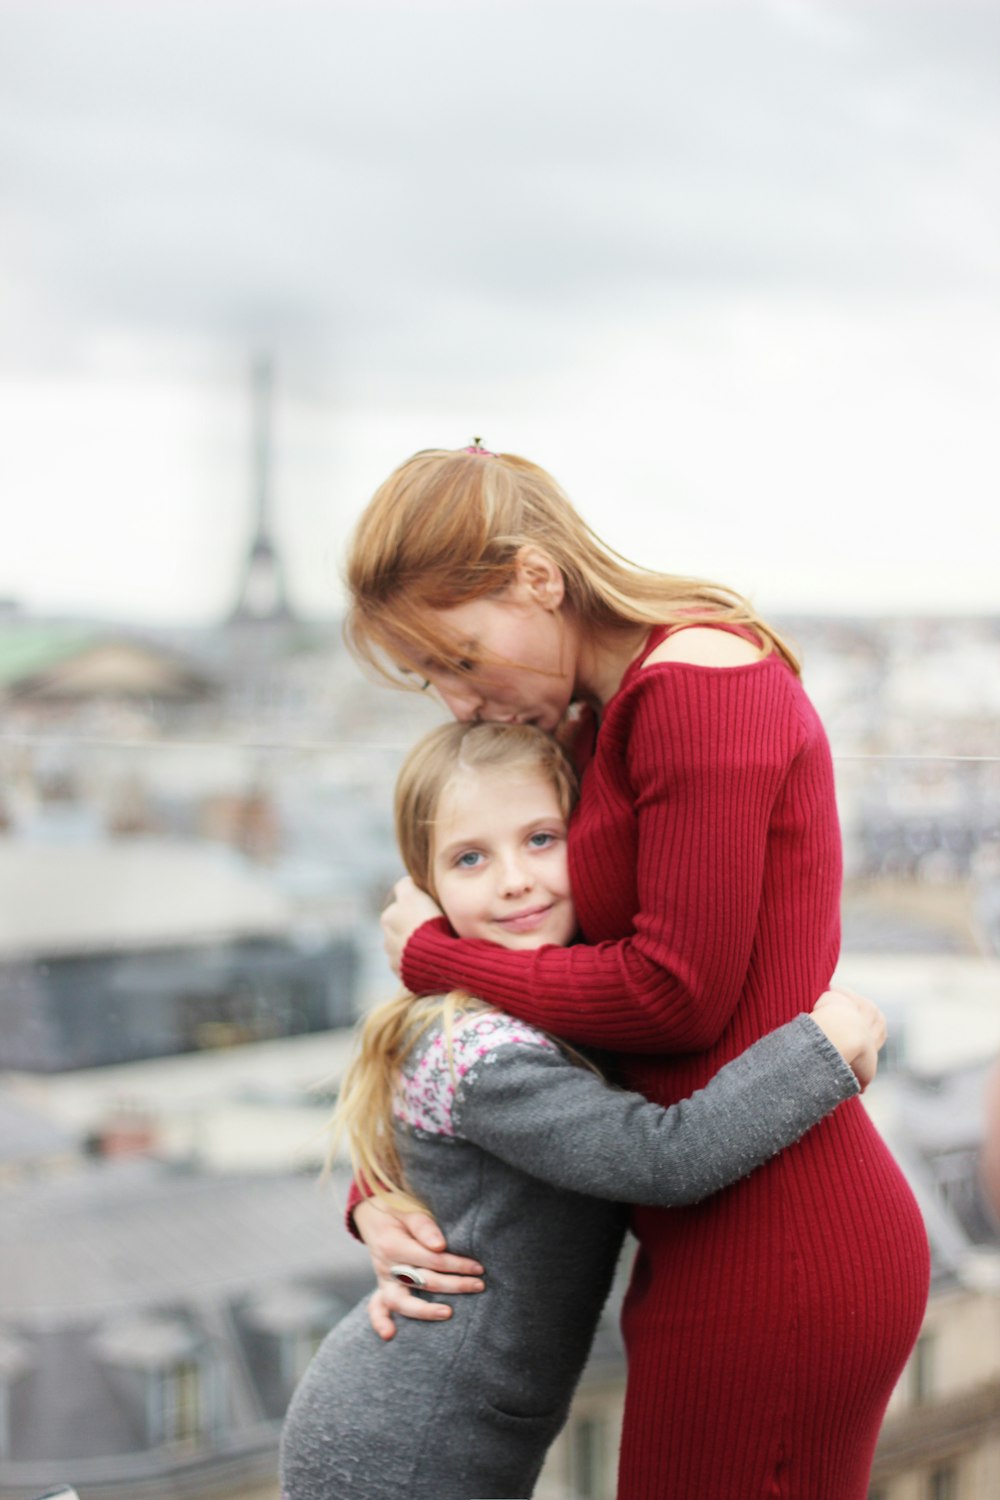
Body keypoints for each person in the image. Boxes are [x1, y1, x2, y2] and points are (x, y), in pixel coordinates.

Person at [342, 445, 931, 1500]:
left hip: (779, 1240)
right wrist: (385, 1195)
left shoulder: (699, 686)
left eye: (460, 658)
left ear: (535, 577)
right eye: (428, 677)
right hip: (706, 1231)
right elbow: (538, 1011)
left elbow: (672, 993)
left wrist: (434, 956)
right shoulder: (590, 719)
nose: (455, 701)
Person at [280, 719, 883, 1500]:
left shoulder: (548, 1004)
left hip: (436, 1421)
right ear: (425, 892)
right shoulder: (480, 1049)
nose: (514, 881)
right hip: (400, 1442)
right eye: (470, 858)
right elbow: (660, 1159)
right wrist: (821, 1049)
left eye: (541, 839)